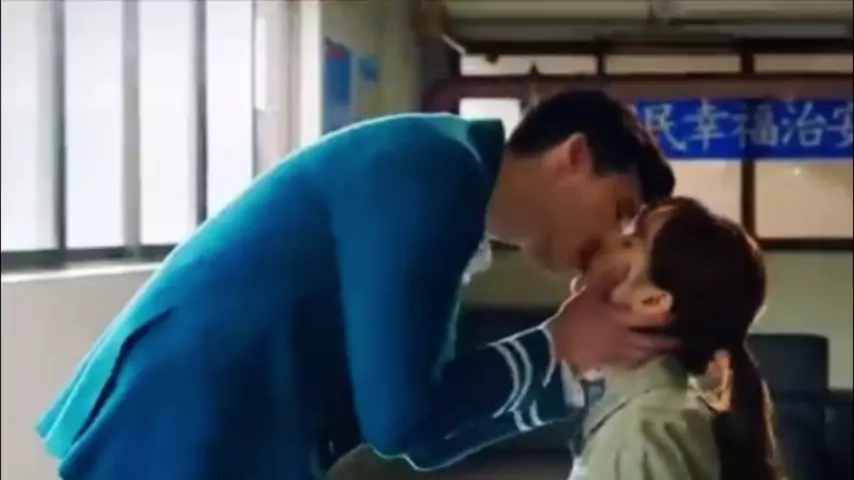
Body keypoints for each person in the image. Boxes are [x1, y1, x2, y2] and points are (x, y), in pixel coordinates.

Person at [36, 90, 676, 480]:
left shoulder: (449, 180)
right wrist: (558, 343)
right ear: (574, 156)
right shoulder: (435, 173)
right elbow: (403, 421)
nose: (612, 241)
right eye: (620, 210)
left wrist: (567, 361)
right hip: (186, 424)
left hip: (219, 424)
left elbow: (422, 438)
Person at [566, 197, 785, 480]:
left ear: (652, 301)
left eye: (630, 242)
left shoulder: (641, 432)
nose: (606, 241)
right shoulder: (652, 416)